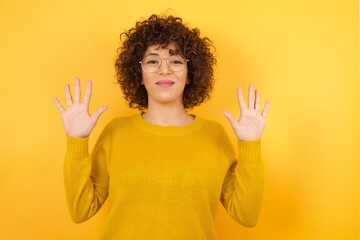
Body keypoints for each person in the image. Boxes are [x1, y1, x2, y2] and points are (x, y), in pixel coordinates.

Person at [53, 14, 270, 240]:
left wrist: (249, 145)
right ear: (139, 75)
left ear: (189, 74)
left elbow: (247, 216)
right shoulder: (115, 133)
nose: (164, 69)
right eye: (153, 61)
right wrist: (77, 141)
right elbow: (80, 211)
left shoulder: (215, 136)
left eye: (175, 61)